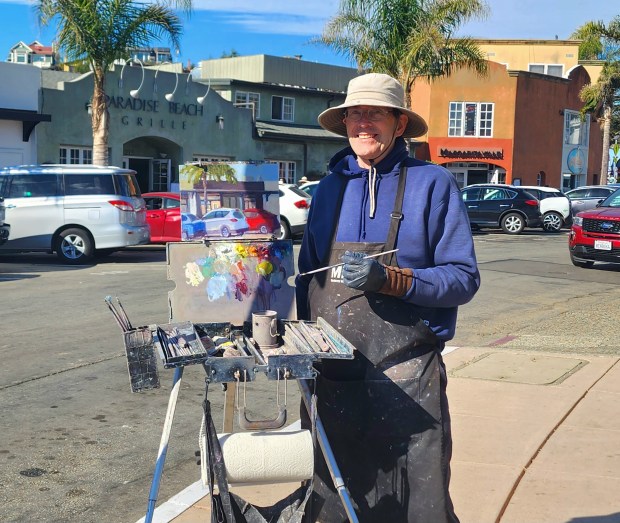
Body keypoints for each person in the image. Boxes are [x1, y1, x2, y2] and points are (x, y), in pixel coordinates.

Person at [296, 73, 480, 522]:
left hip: (409, 375)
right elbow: (307, 281)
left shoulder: (431, 183)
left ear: (400, 124)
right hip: (334, 377)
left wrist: (393, 280)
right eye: (354, 113)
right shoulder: (327, 190)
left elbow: (463, 278)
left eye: (374, 113)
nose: (362, 123)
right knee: (334, 497)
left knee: (422, 502)